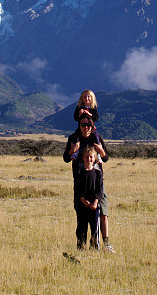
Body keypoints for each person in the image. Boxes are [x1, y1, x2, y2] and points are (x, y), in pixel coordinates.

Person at [63, 90, 115, 252]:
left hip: (96, 183)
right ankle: (82, 246)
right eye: (83, 125)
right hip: (80, 183)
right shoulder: (74, 138)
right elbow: (65, 158)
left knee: (101, 212)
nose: (85, 127)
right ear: (79, 125)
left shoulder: (96, 139)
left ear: (92, 126)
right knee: (82, 216)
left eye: (88, 125)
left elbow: (106, 158)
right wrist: (73, 151)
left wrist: (101, 153)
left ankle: (103, 243)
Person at [74, 146, 103, 249]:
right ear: (83, 158)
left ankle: (95, 247)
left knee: (95, 227)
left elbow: (100, 190)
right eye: (87, 157)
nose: (89, 159)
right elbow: (77, 189)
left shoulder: (98, 173)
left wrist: (95, 202)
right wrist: (83, 200)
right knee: (82, 227)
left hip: (94, 205)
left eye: (91, 157)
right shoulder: (79, 173)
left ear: (94, 158)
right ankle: (80, 247)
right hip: (82, 205)